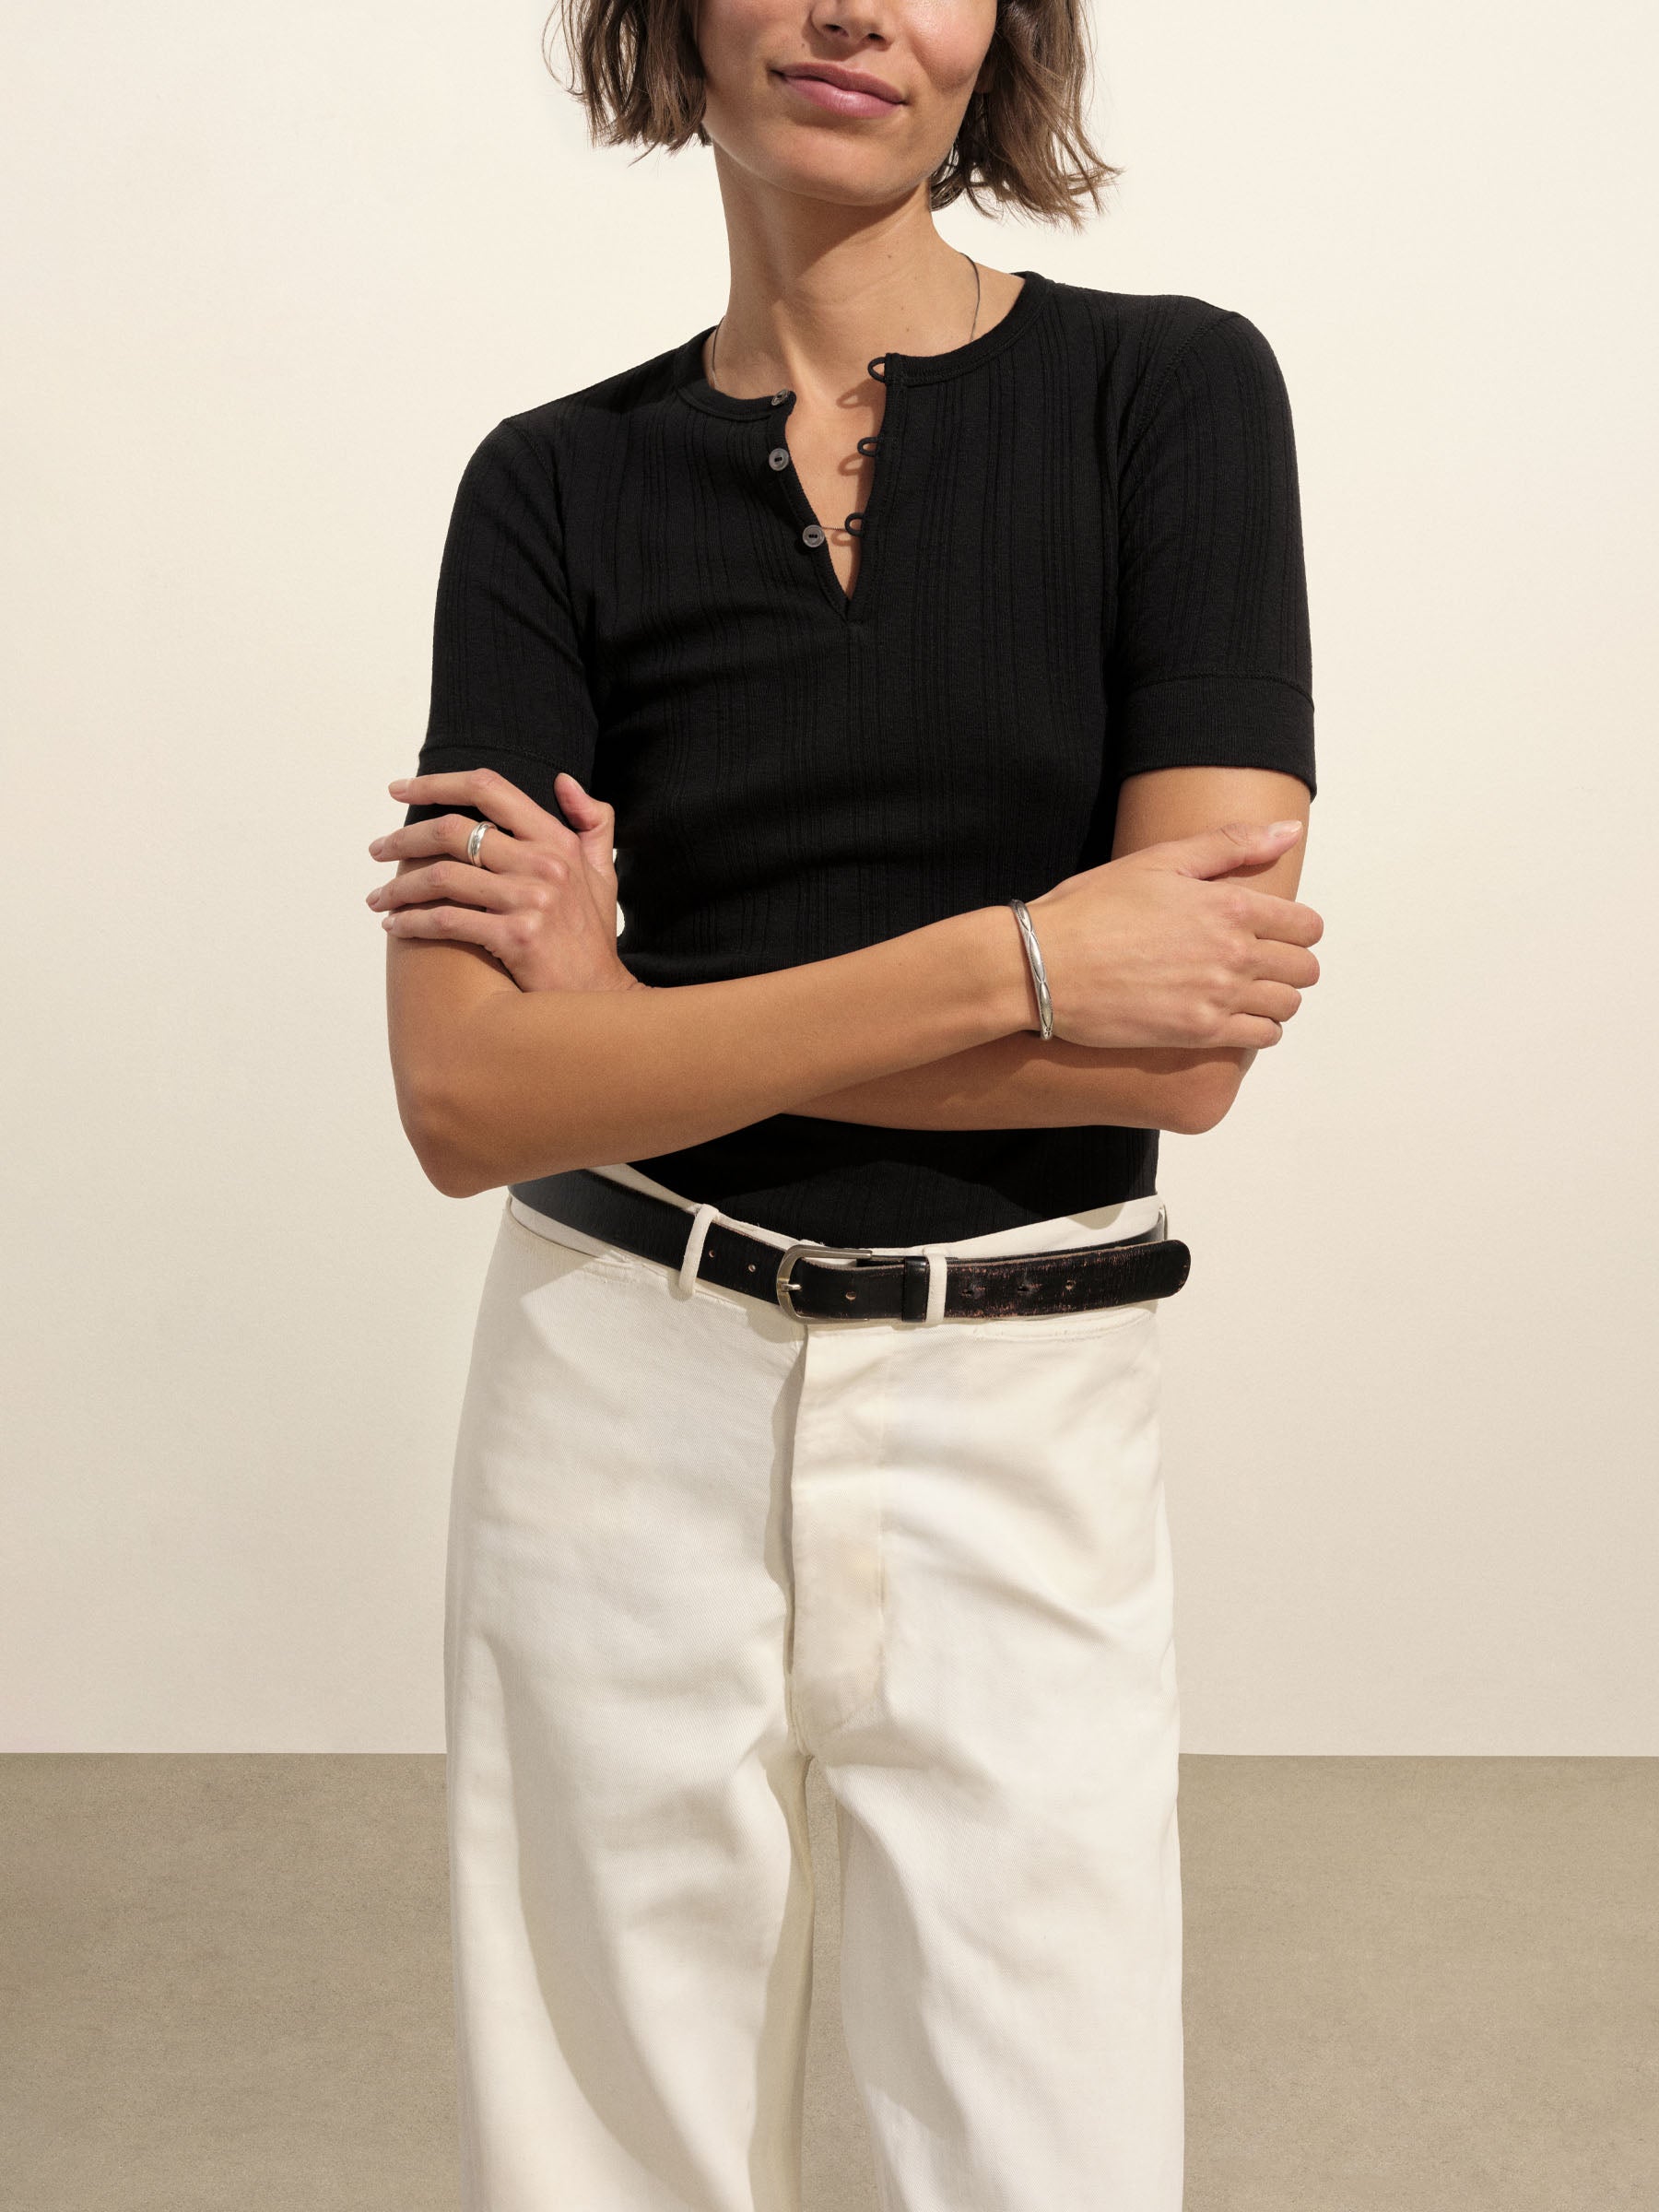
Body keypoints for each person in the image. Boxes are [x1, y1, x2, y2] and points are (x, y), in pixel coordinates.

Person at [367, 0, 1323, 2202]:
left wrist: (632, 1018)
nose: (853, 10)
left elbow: (1185, 1043)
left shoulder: (1170, 397)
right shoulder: (549, 485)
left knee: (1038, 2150)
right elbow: (467, 1094)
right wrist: (1023, 960)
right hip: (619, 1397)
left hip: (1025, 1398)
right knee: (601, 2155)